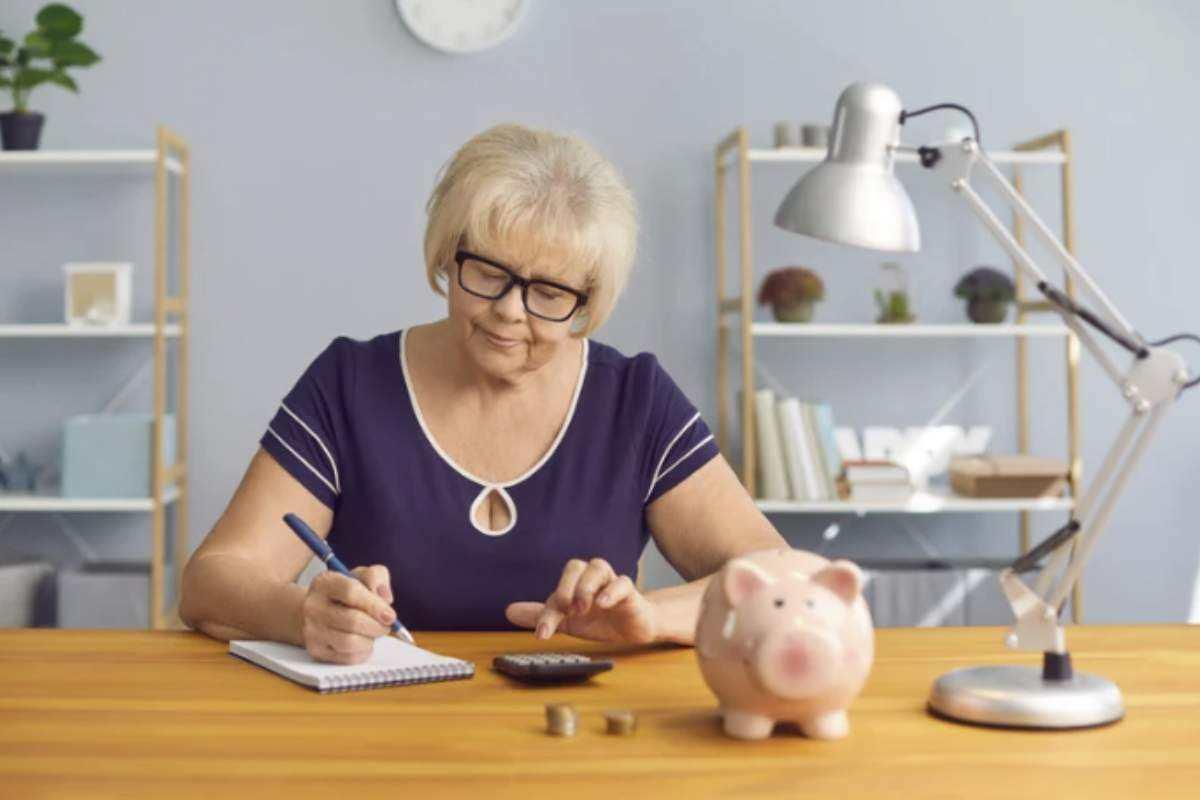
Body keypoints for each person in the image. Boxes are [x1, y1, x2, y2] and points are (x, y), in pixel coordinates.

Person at [180, 123, 788, 664]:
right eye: (489, 274)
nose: (508, 313)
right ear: (448, 253)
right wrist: (302, 615)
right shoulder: (349, 383)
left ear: (589, 300)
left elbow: (780, 575)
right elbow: (210, 581)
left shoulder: (635, 399)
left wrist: (649, 617)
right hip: (380, 733)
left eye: (549, 293)